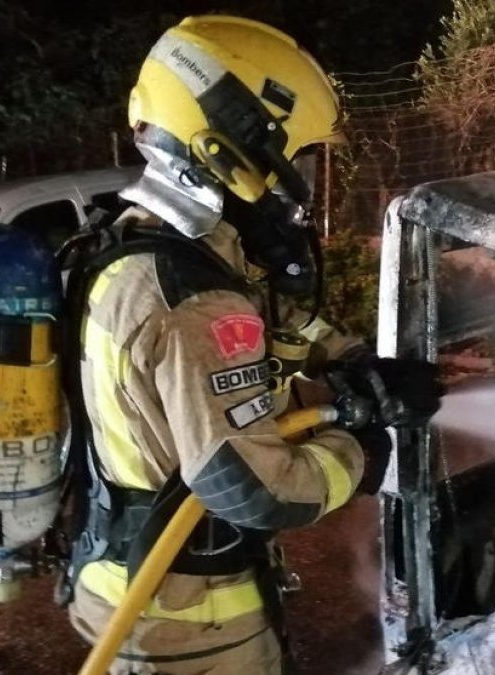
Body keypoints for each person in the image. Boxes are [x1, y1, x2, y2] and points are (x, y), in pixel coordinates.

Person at [61, 16, 440, 674]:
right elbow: (257, 491)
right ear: (230, 152)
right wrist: (366, 451)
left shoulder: (128, 249)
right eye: (299, 158)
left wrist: (352, 364)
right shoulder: (192, 299)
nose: (303, 185)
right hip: (189, 624)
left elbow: (265, 340)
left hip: (121, 581)